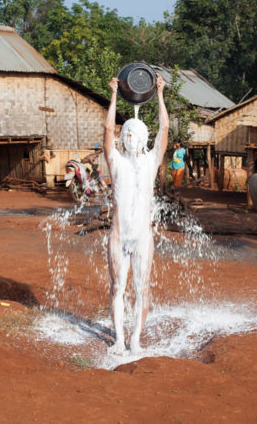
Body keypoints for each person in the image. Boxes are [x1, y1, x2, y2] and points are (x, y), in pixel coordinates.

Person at [103, 74, 168, 355]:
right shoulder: (116, 162)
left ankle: (137, 339)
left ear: (143, 138)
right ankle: (119, 339)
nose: (128, 137)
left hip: (142, 237)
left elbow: (164, 128)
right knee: (117, 287)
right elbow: (107, 131)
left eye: (134, 133)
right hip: (119, 237)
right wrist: (114, 94)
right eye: (125, 133)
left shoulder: (151, 162)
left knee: (142, 289)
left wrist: (161, 93)